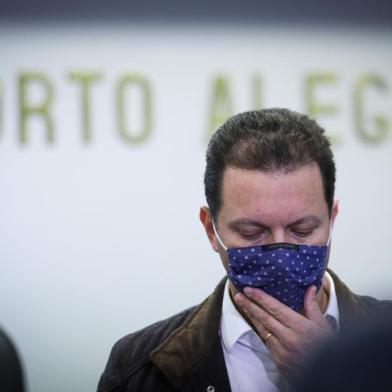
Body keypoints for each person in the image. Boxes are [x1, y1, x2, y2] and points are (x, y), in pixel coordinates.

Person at [97, 108, 392, 392]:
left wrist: (338, 375)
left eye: (302, 230)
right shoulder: (139, 368)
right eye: (252, 233)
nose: (279, 256)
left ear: (332, 218)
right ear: (210, 229)